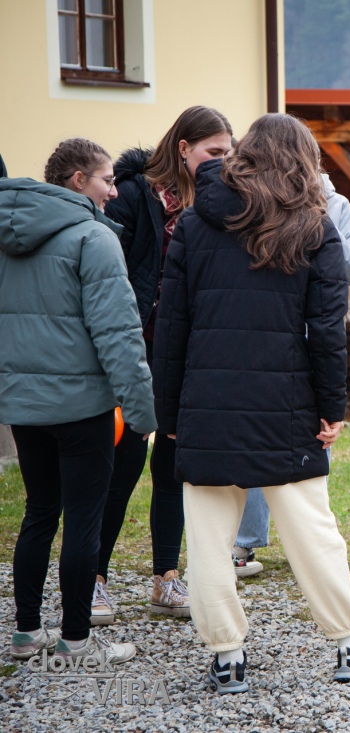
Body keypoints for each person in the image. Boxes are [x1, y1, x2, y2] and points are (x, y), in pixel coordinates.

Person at [152, 113, 350, 693]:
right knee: (313, 532)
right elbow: (327, 331)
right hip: (287, 405)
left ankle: (226, 656)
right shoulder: (314, 226)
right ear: (303, 160)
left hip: (206, 403)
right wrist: (332, 407)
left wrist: (169, 412)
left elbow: (171, 327)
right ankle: (349, 645)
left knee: (208, 540)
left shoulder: (195, 223)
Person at [1, 139, 156, 664]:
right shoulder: (95, 237)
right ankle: (76, 641)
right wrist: (142, 412)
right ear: (76, 179)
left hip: (25, 407)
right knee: (83, 521)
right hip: (82, 408)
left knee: (39, 513)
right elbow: (119, 335)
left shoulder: (7, 236)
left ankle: (26, 634)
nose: (115, 191)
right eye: (107, 180)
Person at [95, 106, 234, 625]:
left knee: (173, 465)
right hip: (133, 349)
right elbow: (113, 273)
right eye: (213, 152)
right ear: (183, 147)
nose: (222, 162)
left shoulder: (214, 204)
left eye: (227, 154)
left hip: (184, 352)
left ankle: (165, 579)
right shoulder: (133, 195)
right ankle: (94, 579)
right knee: (123, 462)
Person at [231, 171, 350, 578]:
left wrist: (322, 230)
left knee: (318, 435)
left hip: (318, 335)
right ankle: (244, 541)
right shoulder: (259, 200)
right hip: (268, 333)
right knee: (257, 430)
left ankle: (311, 544)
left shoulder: (336, 205)